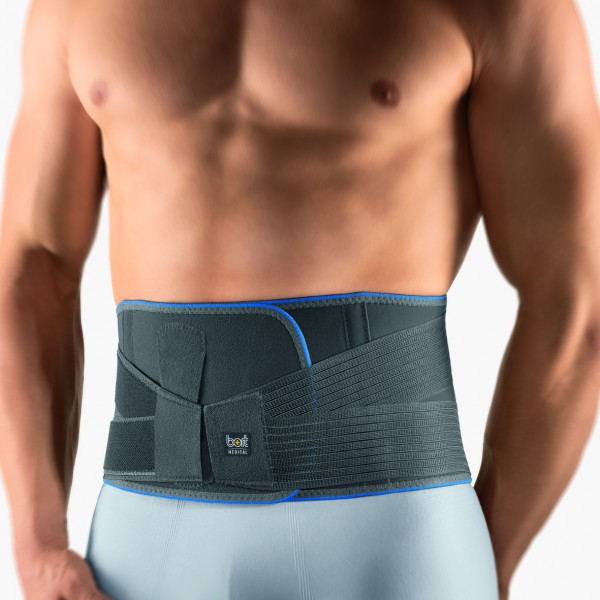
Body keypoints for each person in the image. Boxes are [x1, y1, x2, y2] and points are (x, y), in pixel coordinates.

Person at [1, 0, 599, 598]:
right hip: (144, 537)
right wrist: (38, 545)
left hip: (394, 536)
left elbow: (577, 299)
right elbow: (32, 267)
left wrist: (485, 557)